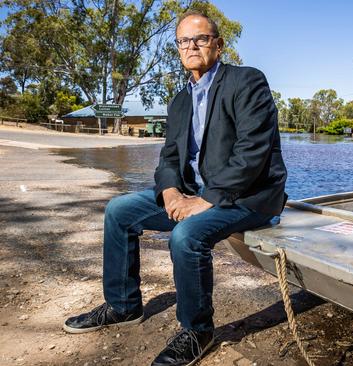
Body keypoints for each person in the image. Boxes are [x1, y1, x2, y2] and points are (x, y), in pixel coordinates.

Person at [63, 10, 287, 366]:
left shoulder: (246, 82)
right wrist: (170, 192)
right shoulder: (180, 100)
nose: (192, 46)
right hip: (194, 193)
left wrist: (206, 200)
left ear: (218, 44)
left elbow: (253, 154)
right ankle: (123, 306)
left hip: (249, 197)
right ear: (178, 48)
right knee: (119, 210)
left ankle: (197, 331)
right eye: (184, 40)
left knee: (186, 236)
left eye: (200, 38)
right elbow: (168, 158)